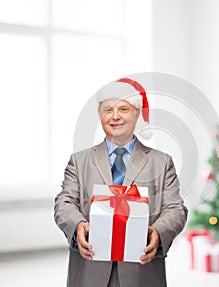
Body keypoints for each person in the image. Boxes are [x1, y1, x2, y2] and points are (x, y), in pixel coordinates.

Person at [54, 77, 188, 287]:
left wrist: (158, 232)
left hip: (141, 271)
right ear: (100, 115)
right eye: (108, 110)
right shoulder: (79, 161)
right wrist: (78, 225)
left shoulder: (161, 162)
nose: (115, 116)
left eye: (124, 109)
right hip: (90, 269)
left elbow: (175, 208)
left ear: (137, 114)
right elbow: (64, 202)